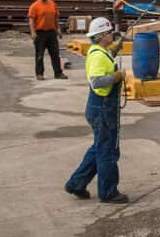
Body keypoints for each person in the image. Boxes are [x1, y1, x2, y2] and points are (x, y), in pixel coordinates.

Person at [65, 17, 129, 204]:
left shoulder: (100, 52)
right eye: (109, 33)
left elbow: (104, 61)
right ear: (102, 35)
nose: (111, 35)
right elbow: (97, 81)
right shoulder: (98, 55)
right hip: (102, 108)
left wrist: (115, 50)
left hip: (100, 106)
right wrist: (117, 76)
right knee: (108, 151)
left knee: (99, 148)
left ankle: (76, 183)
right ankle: (108, 192)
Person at [28, 0, 66, 81]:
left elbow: (56, 18)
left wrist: (58, 29)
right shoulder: (34, 6)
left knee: (55, 53)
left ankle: (58, 72)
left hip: (51, 32)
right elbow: (31, 20)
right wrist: (33, 32)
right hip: (40, 33)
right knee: (39, 54)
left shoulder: (53, 4)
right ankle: (39, 73)